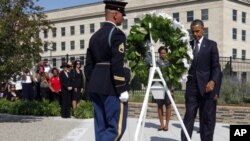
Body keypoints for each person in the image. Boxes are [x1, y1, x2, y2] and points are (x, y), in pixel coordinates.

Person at [85, 0, 129, 140]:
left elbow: (88, 66)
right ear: (116, 14)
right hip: (111, 87)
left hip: (95, 86)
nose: (123, 17)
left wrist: (93, 82)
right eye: (122, 14)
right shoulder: (117, 34)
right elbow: (117, 63)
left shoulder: (94, 36)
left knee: (101, 127)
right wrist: (121, 89)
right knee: (116, 128)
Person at [181, 19, 222, 141]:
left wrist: (213, 82)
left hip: (207, 88)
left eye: (197, 31)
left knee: (207, 119)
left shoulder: (211, 45)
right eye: (193, 32)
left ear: (203, 30)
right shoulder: (188, 46)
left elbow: (216, 67)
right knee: (188, 117)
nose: (195, 34)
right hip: (192, 89)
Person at [155, 47, 172, 131]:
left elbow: (173, 76)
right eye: (161, 53)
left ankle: (167, 125)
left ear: (167, 53)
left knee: (168, 105)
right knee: (159, 105)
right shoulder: (157, 62)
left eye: (164, 53)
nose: (163, 54)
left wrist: (171, 89)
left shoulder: (170, 62)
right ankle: (161, 124)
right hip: (159, 86)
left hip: (168, 86)